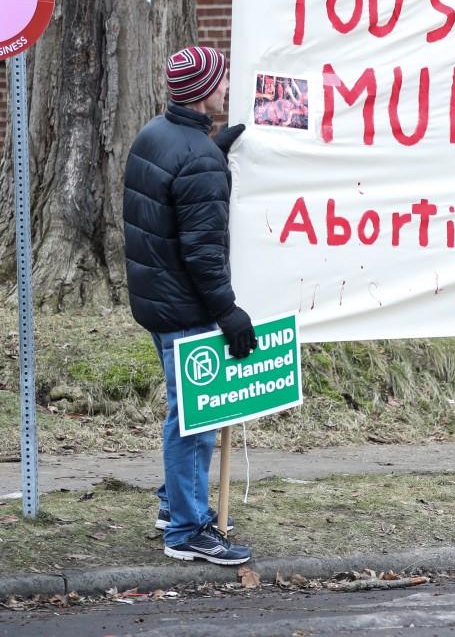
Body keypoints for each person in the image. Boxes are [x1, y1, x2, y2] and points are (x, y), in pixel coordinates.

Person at [123, 45, 258, 564]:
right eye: (223, 81)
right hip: (186, 309)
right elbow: (202, 252)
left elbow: (166, 202)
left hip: (156, 302)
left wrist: (213, 148)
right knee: (193, 419)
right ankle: (186, 530)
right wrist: (228, 312)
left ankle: (173, 502)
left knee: (190, 413)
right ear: (205, 91)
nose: (228, 88)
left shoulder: (154, 133)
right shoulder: (197, 156)